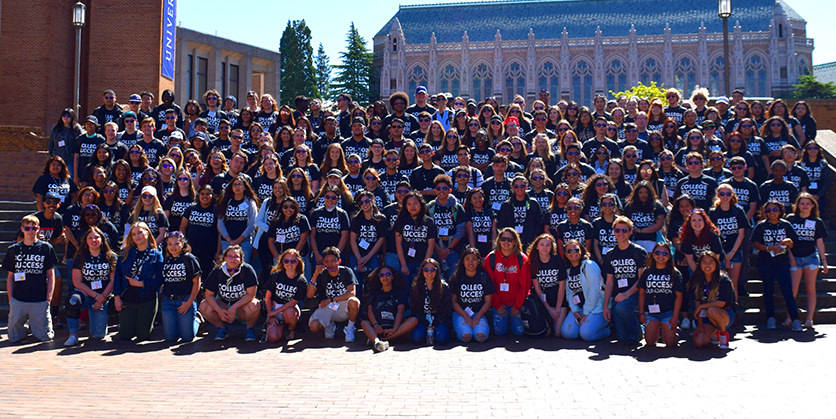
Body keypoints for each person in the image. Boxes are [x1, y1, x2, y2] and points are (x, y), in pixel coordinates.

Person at [3, 215, 58, 343]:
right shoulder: (13, 250)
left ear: (38, 229)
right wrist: (11, 299)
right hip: (18, 298)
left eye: (33, 228)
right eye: (27, 228)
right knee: (14, 338)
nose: (30, 231)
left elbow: (51, 275)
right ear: (22, 229)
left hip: (39, 299)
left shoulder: (46, 248)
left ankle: (33, 324)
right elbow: (10, 277)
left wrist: (48, 298)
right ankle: (25, 327)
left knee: (45, 337)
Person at [752, 200, 801, 331]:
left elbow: (793, 242)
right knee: (768, 291)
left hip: (782, 263)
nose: (772, 212)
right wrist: (769, 248)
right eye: (768, 210)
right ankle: (770, 318)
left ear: (780, 211)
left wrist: (788, 242)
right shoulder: (761, 226)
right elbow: (756, 244)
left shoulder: (786, 225)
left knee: (787, 291)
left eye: (775, 210)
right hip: (765, 262)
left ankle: (795, 319)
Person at [113, 222, 163, 342]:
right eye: (134, 234)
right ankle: (128, 325)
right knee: (125, 336)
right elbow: (117, 277)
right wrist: (117, 297)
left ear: (147, 233)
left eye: (140, 232)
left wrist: (141, 284)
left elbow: (159, 280)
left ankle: (142, 325)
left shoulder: (156, 255)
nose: (137, 236)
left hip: (147, 299)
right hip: (128, 298)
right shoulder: (125, 253)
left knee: (143, 336)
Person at [200, 245, 261, 341]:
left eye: (236, 256)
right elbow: (208, 295)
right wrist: (219, 310)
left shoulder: (247, 270)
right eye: (230, 256)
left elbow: (251, 294)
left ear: (241, 259)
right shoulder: (217, 271)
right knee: (204, 305)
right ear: (225, 258)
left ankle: (250, 329)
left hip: (241, 307)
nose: (233, 259)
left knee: (255, 304)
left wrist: (234, 307)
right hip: (224, 305)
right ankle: (222, 328)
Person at [602, 216, 647, 345]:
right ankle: (636, 330)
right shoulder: (610, 254)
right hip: (618, 294)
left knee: (621, 307)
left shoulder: (639, 252)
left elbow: (641, 279)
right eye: (617, 230)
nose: (620, 234)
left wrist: (627, 294)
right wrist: (606, 305)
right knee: (622, 338)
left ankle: (638, 332)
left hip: (635, 292)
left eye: (624, 230)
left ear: (630, 231)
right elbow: (609, 281)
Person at [786, 193, 828, 328]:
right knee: (793, 290)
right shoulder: (790, 220)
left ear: (812, 206)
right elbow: (787, 242)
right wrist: (790, 256)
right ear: (797, 205)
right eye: (802, 203)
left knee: (811, 289)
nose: (804, 206)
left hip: (811, 258)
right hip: (795, 258)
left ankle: (809, 319)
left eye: (807, 203)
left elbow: (820, 243)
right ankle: (789, 318)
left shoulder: (817, 221)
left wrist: (824, 261)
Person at [306, 246, 361, 342]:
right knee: (314, 327)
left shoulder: (346, 271)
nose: (330, 264)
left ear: (339, 261)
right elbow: (309, 295)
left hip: (342, 305)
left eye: (332, 261)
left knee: (354, 302)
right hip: (328, 306)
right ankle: (330, 325)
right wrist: (315, 275)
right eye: (326, 261)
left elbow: (352, 293)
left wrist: (331, 299)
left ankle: (350, 328)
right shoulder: (322, 274)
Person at [484, 228, 531, 337]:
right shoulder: (491, 258)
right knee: (500, 332)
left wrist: (517, 306)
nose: (506, 242)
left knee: (518, 332)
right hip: (499, 303)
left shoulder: (522, 259)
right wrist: (498, 305)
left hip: (516, 303)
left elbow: (525, 286)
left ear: (515, 241)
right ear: (499, 240)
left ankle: (511, 320)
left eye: (510, 239)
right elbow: (489, 285)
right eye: (503, 239)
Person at [561, 240, 610, 341]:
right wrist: (574, 310)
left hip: (596, 308)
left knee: (587, 335)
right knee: (567, 333)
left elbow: (594, 291)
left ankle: (608, 330)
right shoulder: (568, 270)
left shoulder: (589, 265)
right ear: (565, 254)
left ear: (581, 251)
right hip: (580, 308)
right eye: (569, 251)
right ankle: (587, 326)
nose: (573, 252)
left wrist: (586, 313)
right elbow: (570, 293)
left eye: (576, 250)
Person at [637, 242, 684, 348]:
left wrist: (675, 316)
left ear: (669, 256)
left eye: (665, 253)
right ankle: (657, 329)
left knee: (670, 344)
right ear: (653, 254)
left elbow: (679, 296)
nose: (660, 256)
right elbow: (641, 292)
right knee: (650, 342)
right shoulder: (647, 271)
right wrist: (641, 313)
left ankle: (674, 332)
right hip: (650, 312)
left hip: (668, 312)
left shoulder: (675, 273)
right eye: (657, 253)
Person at [158, 231, 202, 343]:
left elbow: (197, 282)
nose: (173, 247)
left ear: (182, 244)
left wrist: (189, 302)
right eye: (170, 244)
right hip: (169, 301)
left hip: (185, 299)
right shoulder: (165, 259)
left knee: (187, 338)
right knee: (170, 338)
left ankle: (197, 319)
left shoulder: (189, 258)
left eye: (176, 244)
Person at [360, 266, 417, 352]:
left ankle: (387, 339)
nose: (385, 277)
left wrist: (395, 328)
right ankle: (377, 342)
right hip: (378, 327)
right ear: (379, 277)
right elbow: (370, 310)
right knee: (364, 323)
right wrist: (375, 325)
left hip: (393, 328)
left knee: (413, 320)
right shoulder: (373, 293)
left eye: (388, 274)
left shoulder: (399, 292)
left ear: (392, 276)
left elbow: (400, 311)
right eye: (382, 275)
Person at [708, 184, 748, 298]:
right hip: (718, 251)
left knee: (733, 283)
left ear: (732, 195)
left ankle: (734, 310)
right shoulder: (713, 212)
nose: (725, 196)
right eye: (722, 194)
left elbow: (741, 234)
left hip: (735, 251)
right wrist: (724, 255)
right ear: (718, 195)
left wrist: (731, 253)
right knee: (718, 282)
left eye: (728, 194)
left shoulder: (738, 211)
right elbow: (713, 235)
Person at [448, 248, 495, 343]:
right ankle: (458, 330)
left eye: (474, 259)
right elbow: (453, 301)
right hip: (461, 313)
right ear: (462, 261)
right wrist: (466, 317)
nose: (470, 262)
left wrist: (477, 317)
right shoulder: (457, 277)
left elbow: (488, 301)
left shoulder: (484, 277)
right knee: (467, 336)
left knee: (480, 336)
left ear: (478, 261)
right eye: (467, 259)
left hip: (479, 313)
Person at [690, 251, 736, 349]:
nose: (707, 265)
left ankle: (723, 333)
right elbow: (697, 302)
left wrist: (703, 306)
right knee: (699, 342)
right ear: (700, 264)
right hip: (705, 316)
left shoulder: (723, 280)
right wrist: (700, 325)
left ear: (716, 264)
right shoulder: (697, 280)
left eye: (711, 262)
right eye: (704, 262)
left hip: (723, 314)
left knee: (712, 310)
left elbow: (722, 303)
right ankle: (715, 332)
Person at [263, 249, 308, 342]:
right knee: (273, 338)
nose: (289, 264)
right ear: (282, 262)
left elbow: (294, 302)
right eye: (286, 261)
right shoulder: (276, 276)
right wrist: (270, 314)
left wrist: (274, 313)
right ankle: (280, 327)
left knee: (291, 312)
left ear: (298, 262)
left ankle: (291, 329)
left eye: (293, 261)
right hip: (274, 307)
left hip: (289, 309)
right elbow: (268, 296)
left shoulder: (301, 281)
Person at [528, 234, 567, 337]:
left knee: (558, 333)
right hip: (543, 301)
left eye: (548, 245)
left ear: (552, 247)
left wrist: (557, 309)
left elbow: (562, 286)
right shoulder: (533, 262)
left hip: (558, 298)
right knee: (546, 333)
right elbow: (537, 287)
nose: (544, 248)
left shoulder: (558, 260)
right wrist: (548, 308)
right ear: (537, 246)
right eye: (542, 245)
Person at [394, 191, 437, 281]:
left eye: (415, 204)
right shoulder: (401, 221)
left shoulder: (429, 221)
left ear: (421, 204)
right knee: (405, 289)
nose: (412, 207)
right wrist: (403, 265)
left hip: (422, 260)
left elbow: (431, 245)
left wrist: (425, 264)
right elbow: (398, 244)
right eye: (409, 204)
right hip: (406, 261)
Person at [409, 258, 453, 346]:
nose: (429, 272)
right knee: (416, 338)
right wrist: (426, 323)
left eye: (433, 270)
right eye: (426, 270)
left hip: (439, 320)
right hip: (423, 320)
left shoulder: (444, 286)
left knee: (442, 339)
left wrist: (435, 323)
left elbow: (447, 309)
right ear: (422, 271)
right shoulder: (416, 287)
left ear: (437, 271)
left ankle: (435, 333)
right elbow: (414, 309)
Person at [180, 185, 220, 276]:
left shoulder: (215, 210)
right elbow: (182, 227)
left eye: (207, 194)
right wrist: (183, 245)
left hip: (209, 249)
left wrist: (218, 251)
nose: (205, 196)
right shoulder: (191, 208)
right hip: (191, 248)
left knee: (206, 274)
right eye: (202, 194)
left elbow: (219, 233)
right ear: (198, 195)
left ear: (212, 196)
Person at [217, 177, 258, 263]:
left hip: (245, 241)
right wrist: (229, 240)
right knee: (228, 267)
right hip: (227, 241)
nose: (237, 187)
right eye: (235, 184)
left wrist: (239, 240)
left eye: (240, 184)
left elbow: (252, 224)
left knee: (243, 267)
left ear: (245, 187)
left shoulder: (250, 203)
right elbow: (220, 223)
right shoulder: (226, 201)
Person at [349, 190, 388, 281]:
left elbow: (381, 239)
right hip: (357, 253)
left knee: (373, 279)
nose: (364, 204)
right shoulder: (356, 219)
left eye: (367, 201)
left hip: (373, 253)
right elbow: (352, 240)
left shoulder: (381, 219)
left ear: (373, 201)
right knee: (355, 279)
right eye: (361, 203)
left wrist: (368, 257)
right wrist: (359, 258)